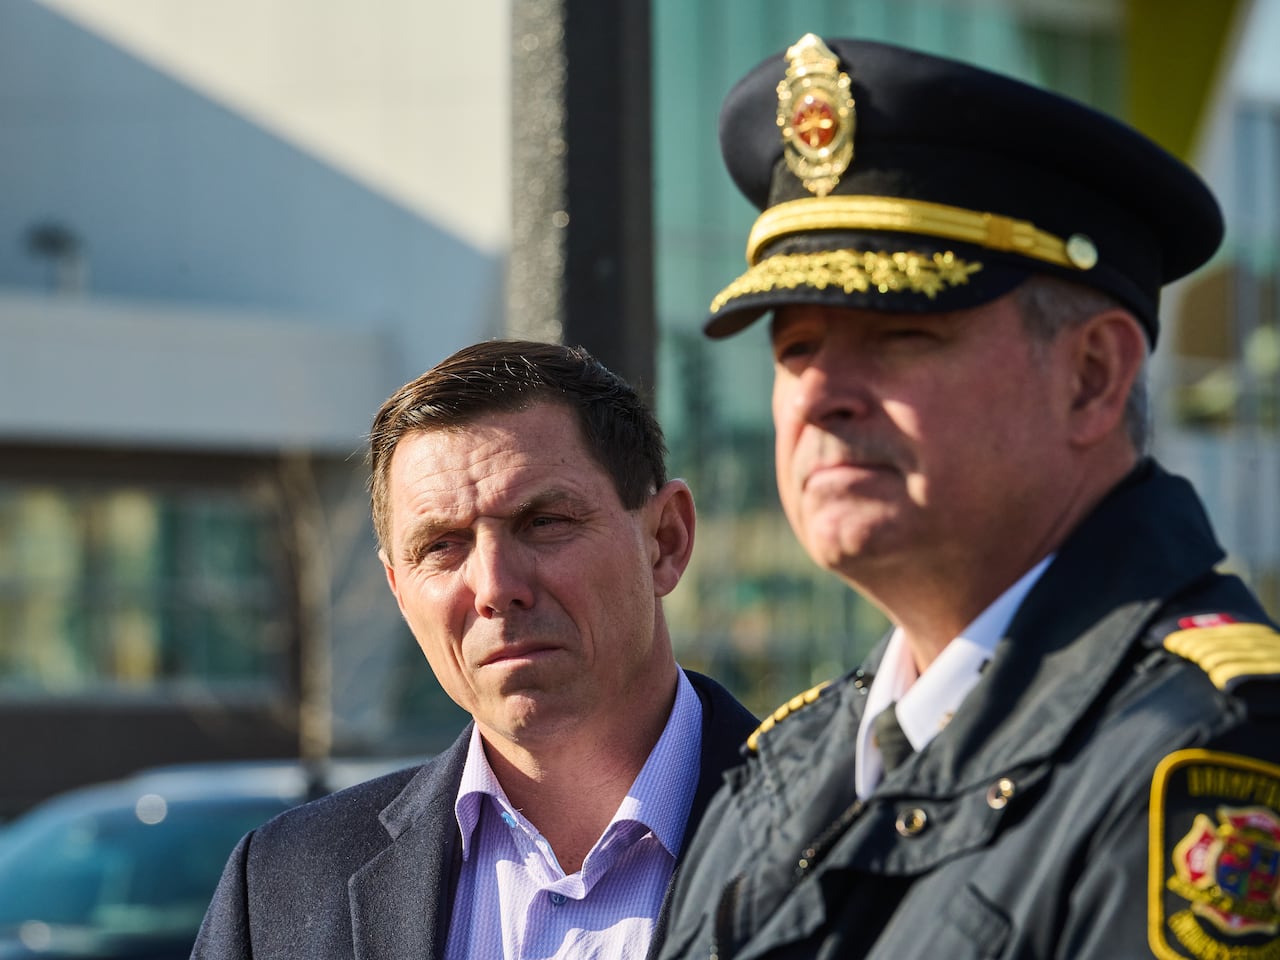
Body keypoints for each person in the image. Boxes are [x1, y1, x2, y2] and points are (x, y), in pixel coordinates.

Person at [657, 33, 1280, 960]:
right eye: (795, 348)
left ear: (1092, 376)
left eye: (901, 332)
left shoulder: (1209, 753)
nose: (820, 394)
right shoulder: (793, 760)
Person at [192, 340, 757, 959]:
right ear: (399, 592)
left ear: (665, 541)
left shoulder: (832, 836)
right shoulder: (278, 889)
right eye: (442, 545)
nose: (494, 588)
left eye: (544, 522)